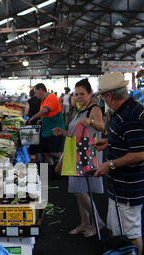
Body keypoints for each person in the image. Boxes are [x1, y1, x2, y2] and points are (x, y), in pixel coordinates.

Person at [94, 72, 144, 255]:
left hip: (129, 187)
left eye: (103, 96)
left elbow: (139, 153)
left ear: (109, 96)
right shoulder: (122, 112)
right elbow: (129, 142)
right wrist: (109, 143)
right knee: (118, 229)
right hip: (119, 185)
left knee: (131, 233)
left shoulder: (131, 115)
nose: (104, 100)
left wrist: (111, 164)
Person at [53, 79, 105, 237]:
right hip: (76, 152)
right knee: (79, 190)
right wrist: (62, 132)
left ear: (90, 93)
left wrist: (91, 121)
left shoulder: (94, 109)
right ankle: (84, 222)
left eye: (82, 94)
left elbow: (101, 126)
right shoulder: (80, 109)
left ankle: (98, 222)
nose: (79, 97)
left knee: (79, 190)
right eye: (77, 94)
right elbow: (75, 133)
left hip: (85, 155)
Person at [27, 83, 65, 168]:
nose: (35, 95)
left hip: (55, 130)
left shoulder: (51, 96)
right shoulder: (43, 101)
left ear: (41, 90)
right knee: (45, 151)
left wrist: (33, 117)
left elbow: (45, 111)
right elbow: (48, 114)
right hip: (47, 130)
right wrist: (42, 120)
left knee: (52, 151)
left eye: (35, 92)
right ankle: (51, 172)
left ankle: (67, 160)